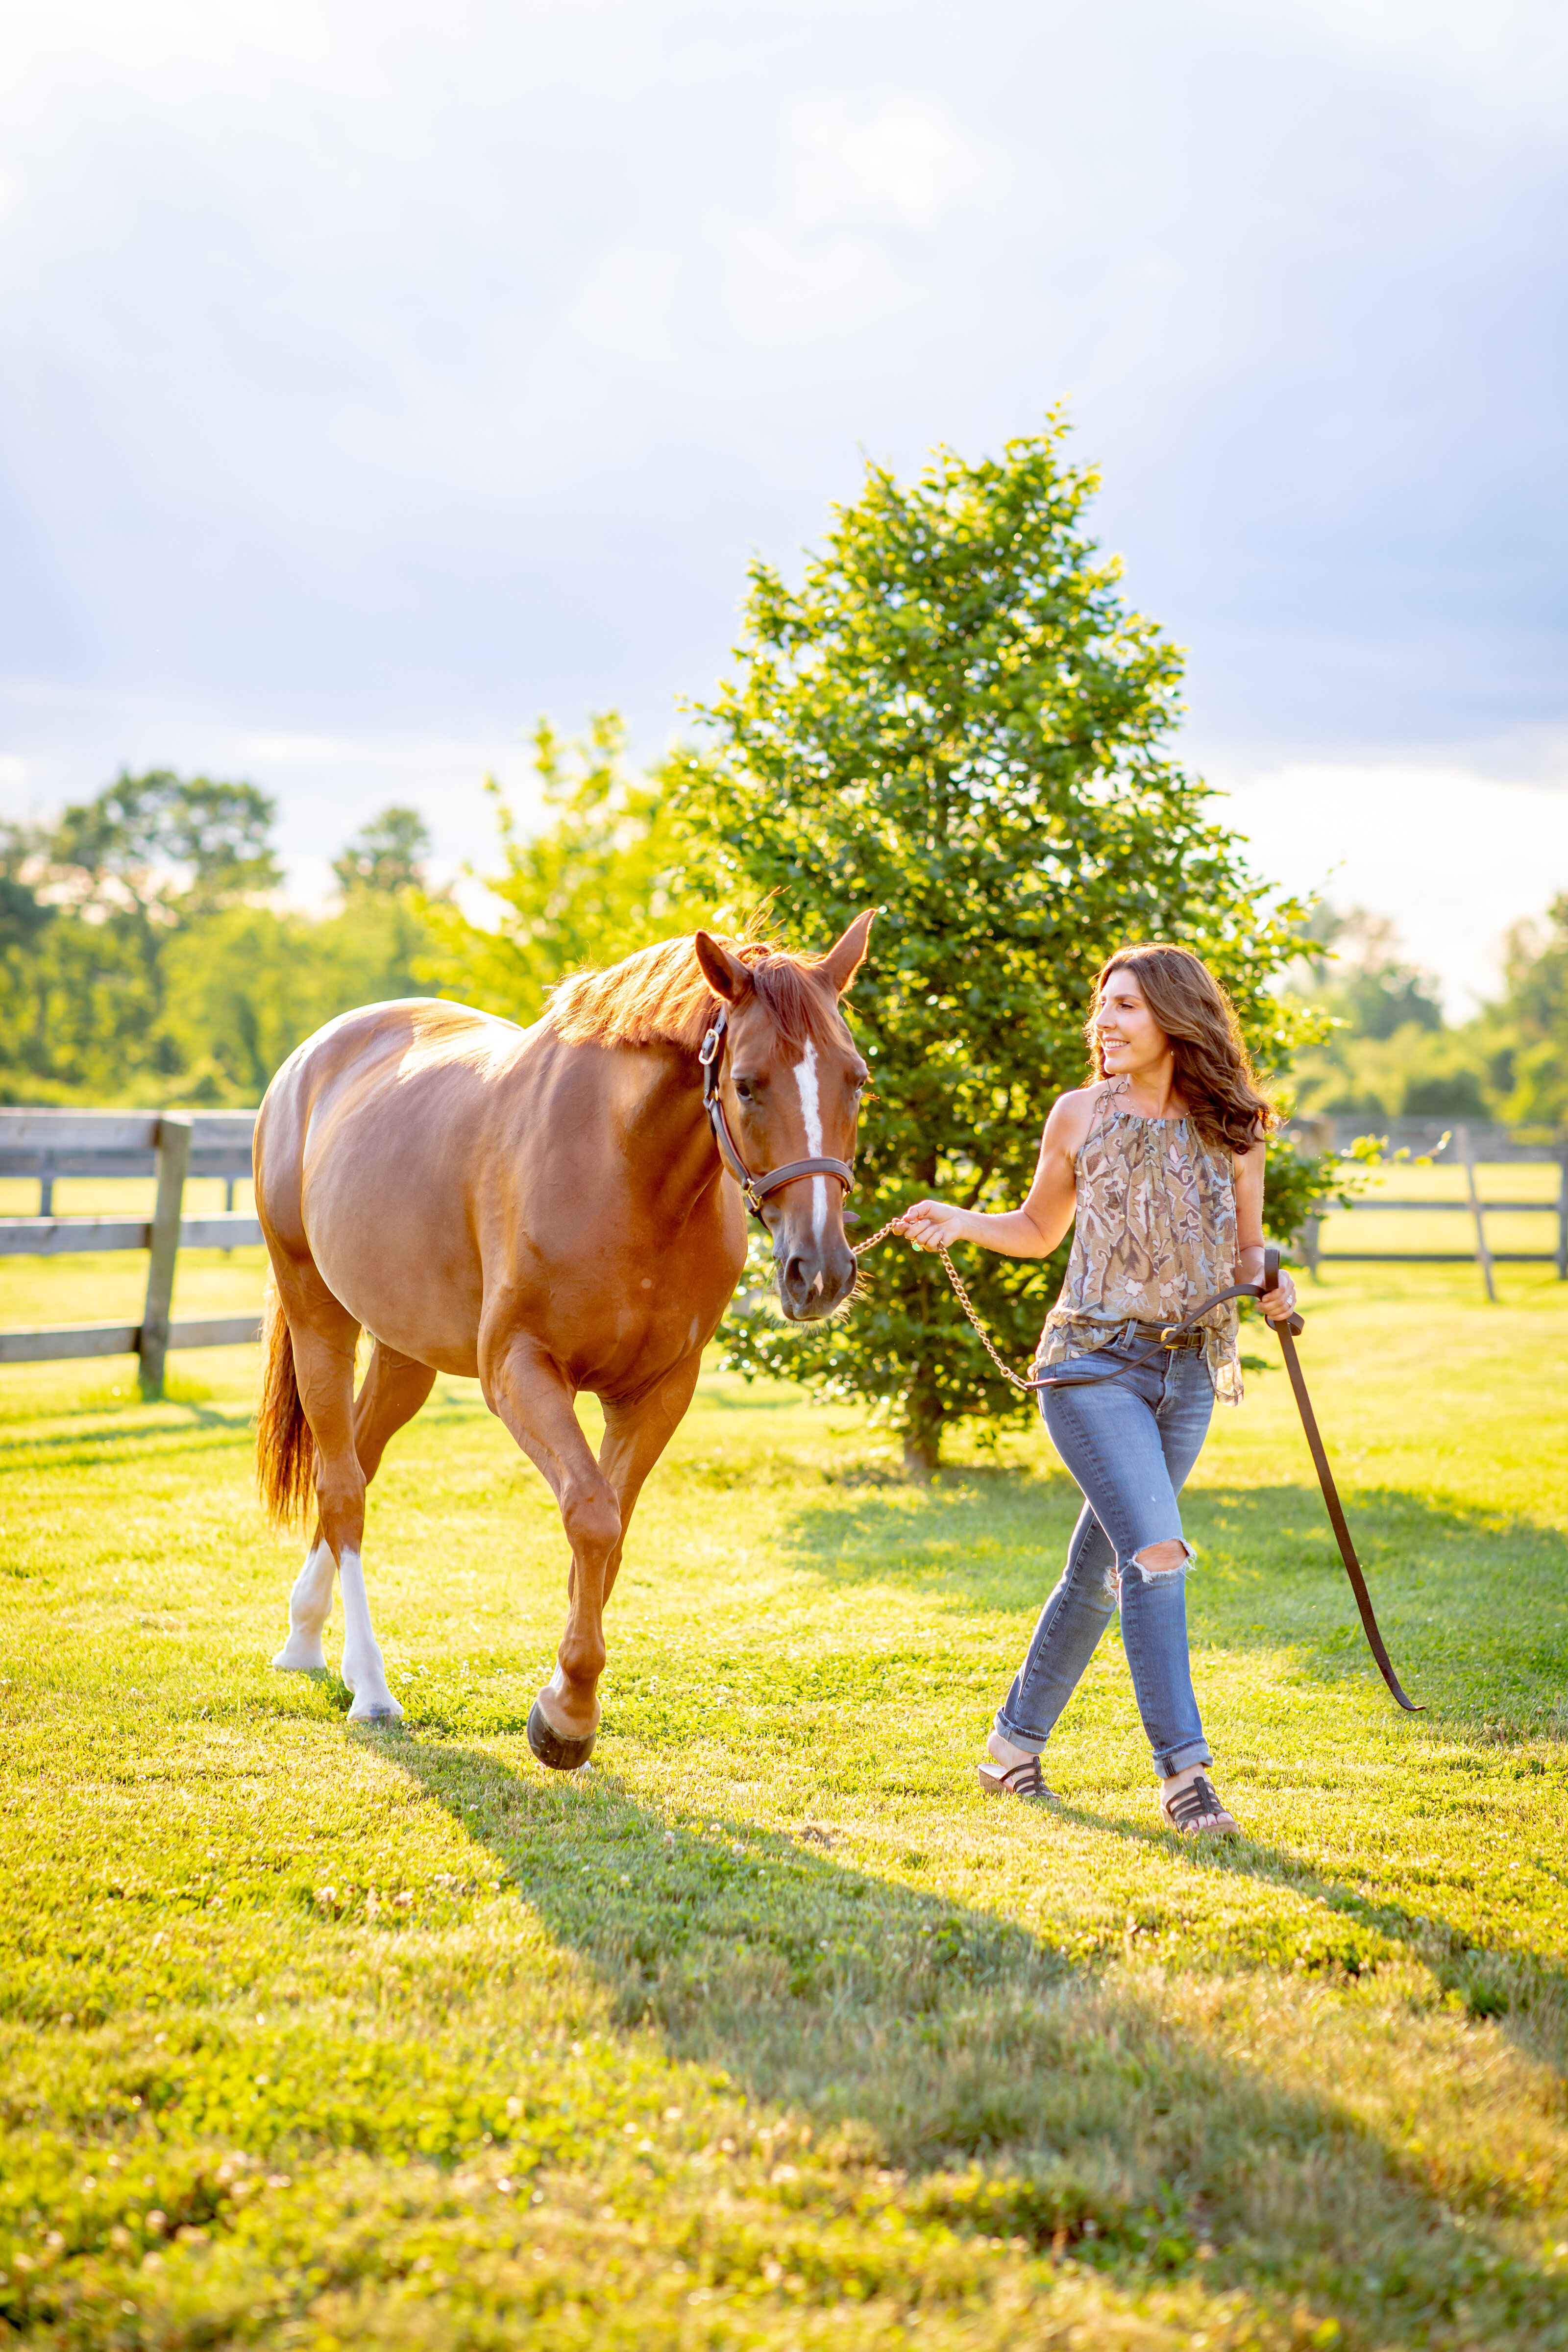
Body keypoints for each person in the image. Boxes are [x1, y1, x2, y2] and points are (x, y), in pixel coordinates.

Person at [894, 942, 1298, 1840]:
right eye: (1101, 1005)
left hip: (1188, 1373)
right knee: (1155, 1554)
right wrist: (963, 1221)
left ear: (1175, 1019)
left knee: (1098, 1570)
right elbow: (1041, 1230)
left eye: (1125, 1007)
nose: (1103, 1023)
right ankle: (1186, 1779)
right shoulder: (1078, 1115)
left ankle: (1009, 1751)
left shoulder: (1234, 1127)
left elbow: (1247, 1252)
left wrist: (1273, 1281)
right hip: (1090, 1365)